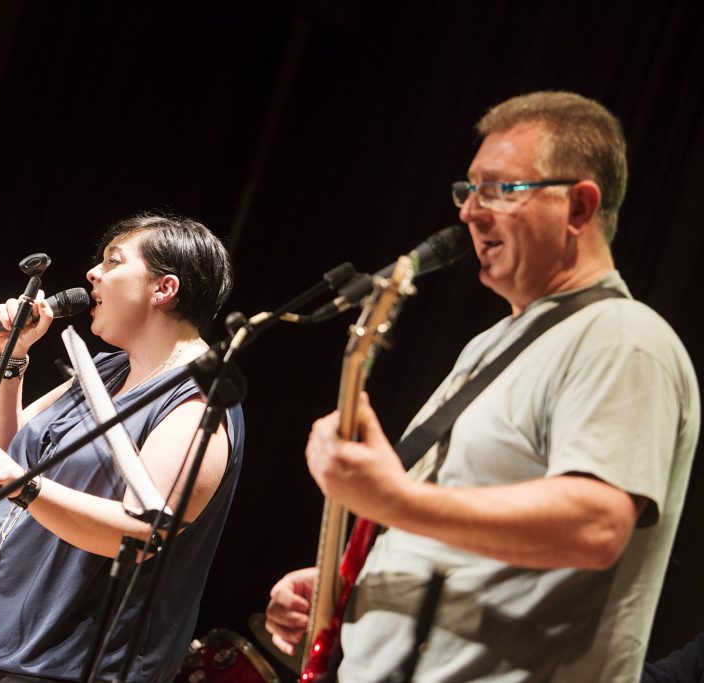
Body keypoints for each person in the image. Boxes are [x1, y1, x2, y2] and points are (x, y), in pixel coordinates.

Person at [265, 91, 700, 681]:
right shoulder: (492, 343)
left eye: (500, 189)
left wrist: (394, 500)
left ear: (579, 206)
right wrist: (363, 584)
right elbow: (461, 532)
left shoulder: (622, 337)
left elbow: (595, 524)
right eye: (467, 190)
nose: (469, 212)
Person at [0, 213, 244, 683]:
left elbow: (142, 534)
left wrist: (23, 486)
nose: (92, 274)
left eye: (113, 262)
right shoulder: (104, 368)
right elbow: (2, 450)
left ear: (163, 289)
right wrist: (10, 353)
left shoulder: (198, 399)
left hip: (74, 665)